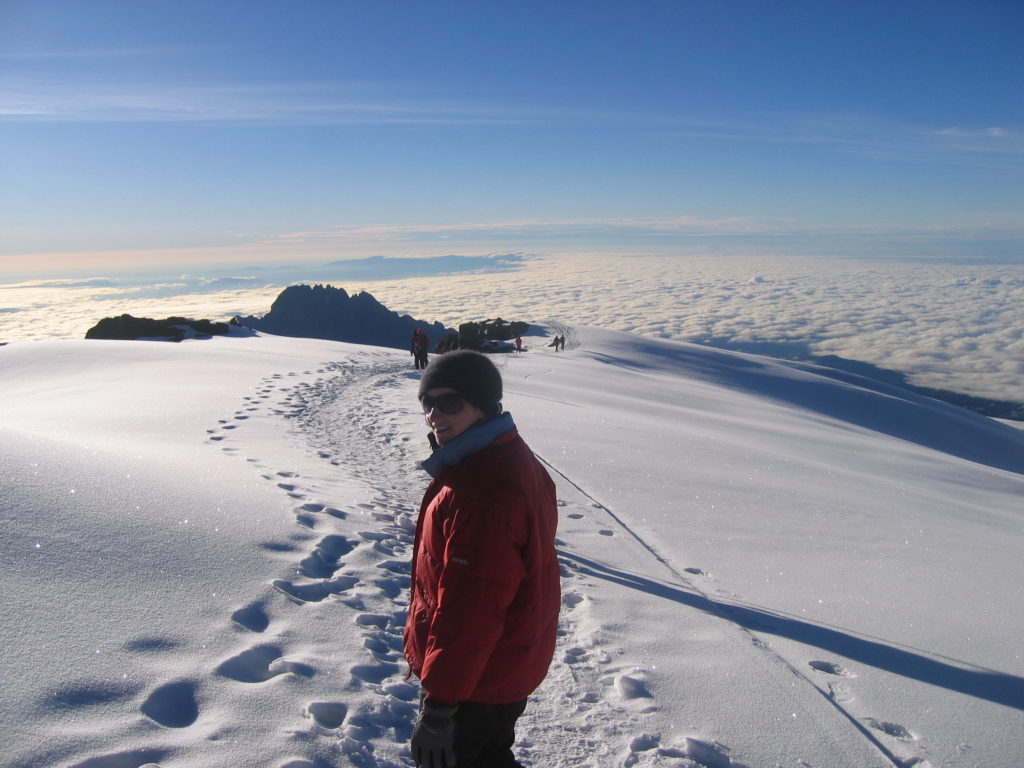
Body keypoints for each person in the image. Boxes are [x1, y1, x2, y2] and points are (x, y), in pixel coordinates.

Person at [405, 350, 560, 768]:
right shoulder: (502, 454)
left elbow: (471, 611)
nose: (435, 414)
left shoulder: (482, 490)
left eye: (450, 402)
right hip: (504, 664)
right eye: (428, 402)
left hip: (477, 678)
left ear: (483, 406)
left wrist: (440, 706)